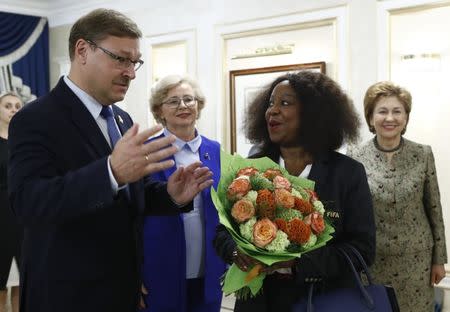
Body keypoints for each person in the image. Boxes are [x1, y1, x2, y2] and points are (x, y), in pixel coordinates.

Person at [7, 9, 213, 312]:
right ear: (82, 51)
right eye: (120, 59)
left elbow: (129, 196)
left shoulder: (120, 117)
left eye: (135, 62)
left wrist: (169, 196)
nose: (130, 72)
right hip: (67, 295)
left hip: (122, 290)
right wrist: (110, 172)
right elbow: (29, 203)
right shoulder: (35, 118)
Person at [213, 71, 376, 311]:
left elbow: (362, 249)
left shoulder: (347, 173)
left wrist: (297, 262)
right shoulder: (251, 167)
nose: (273, 110)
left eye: (285, 103)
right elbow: (222, 232)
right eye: (270, 104)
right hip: (261, 303)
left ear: (313, 113)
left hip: (322, 300)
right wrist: (236, 252)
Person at [347, 81, 447, 311]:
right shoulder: (355, 156)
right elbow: (351, 212)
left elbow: (434, 208)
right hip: (372, 261)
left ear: (405, 118)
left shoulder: (423, 154)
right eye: (382, 111)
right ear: (371, 118)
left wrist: (438, 259)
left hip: (417, 262)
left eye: (396, 111)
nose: (389, 118)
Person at [140, 74, 226, 311]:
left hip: (209, 268)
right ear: (160, 110)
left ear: (198, 106)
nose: (183, 106)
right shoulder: (147, 151)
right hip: (160, 269)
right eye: (173, 101)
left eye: (189, 99)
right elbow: (131, 214)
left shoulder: (215, 150)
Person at [0, 92, 23, 312]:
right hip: (0, 217)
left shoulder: (24, 141)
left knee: (22, 280)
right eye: (8, 106)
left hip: (23, 216)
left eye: (17, 106)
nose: (13, 109)